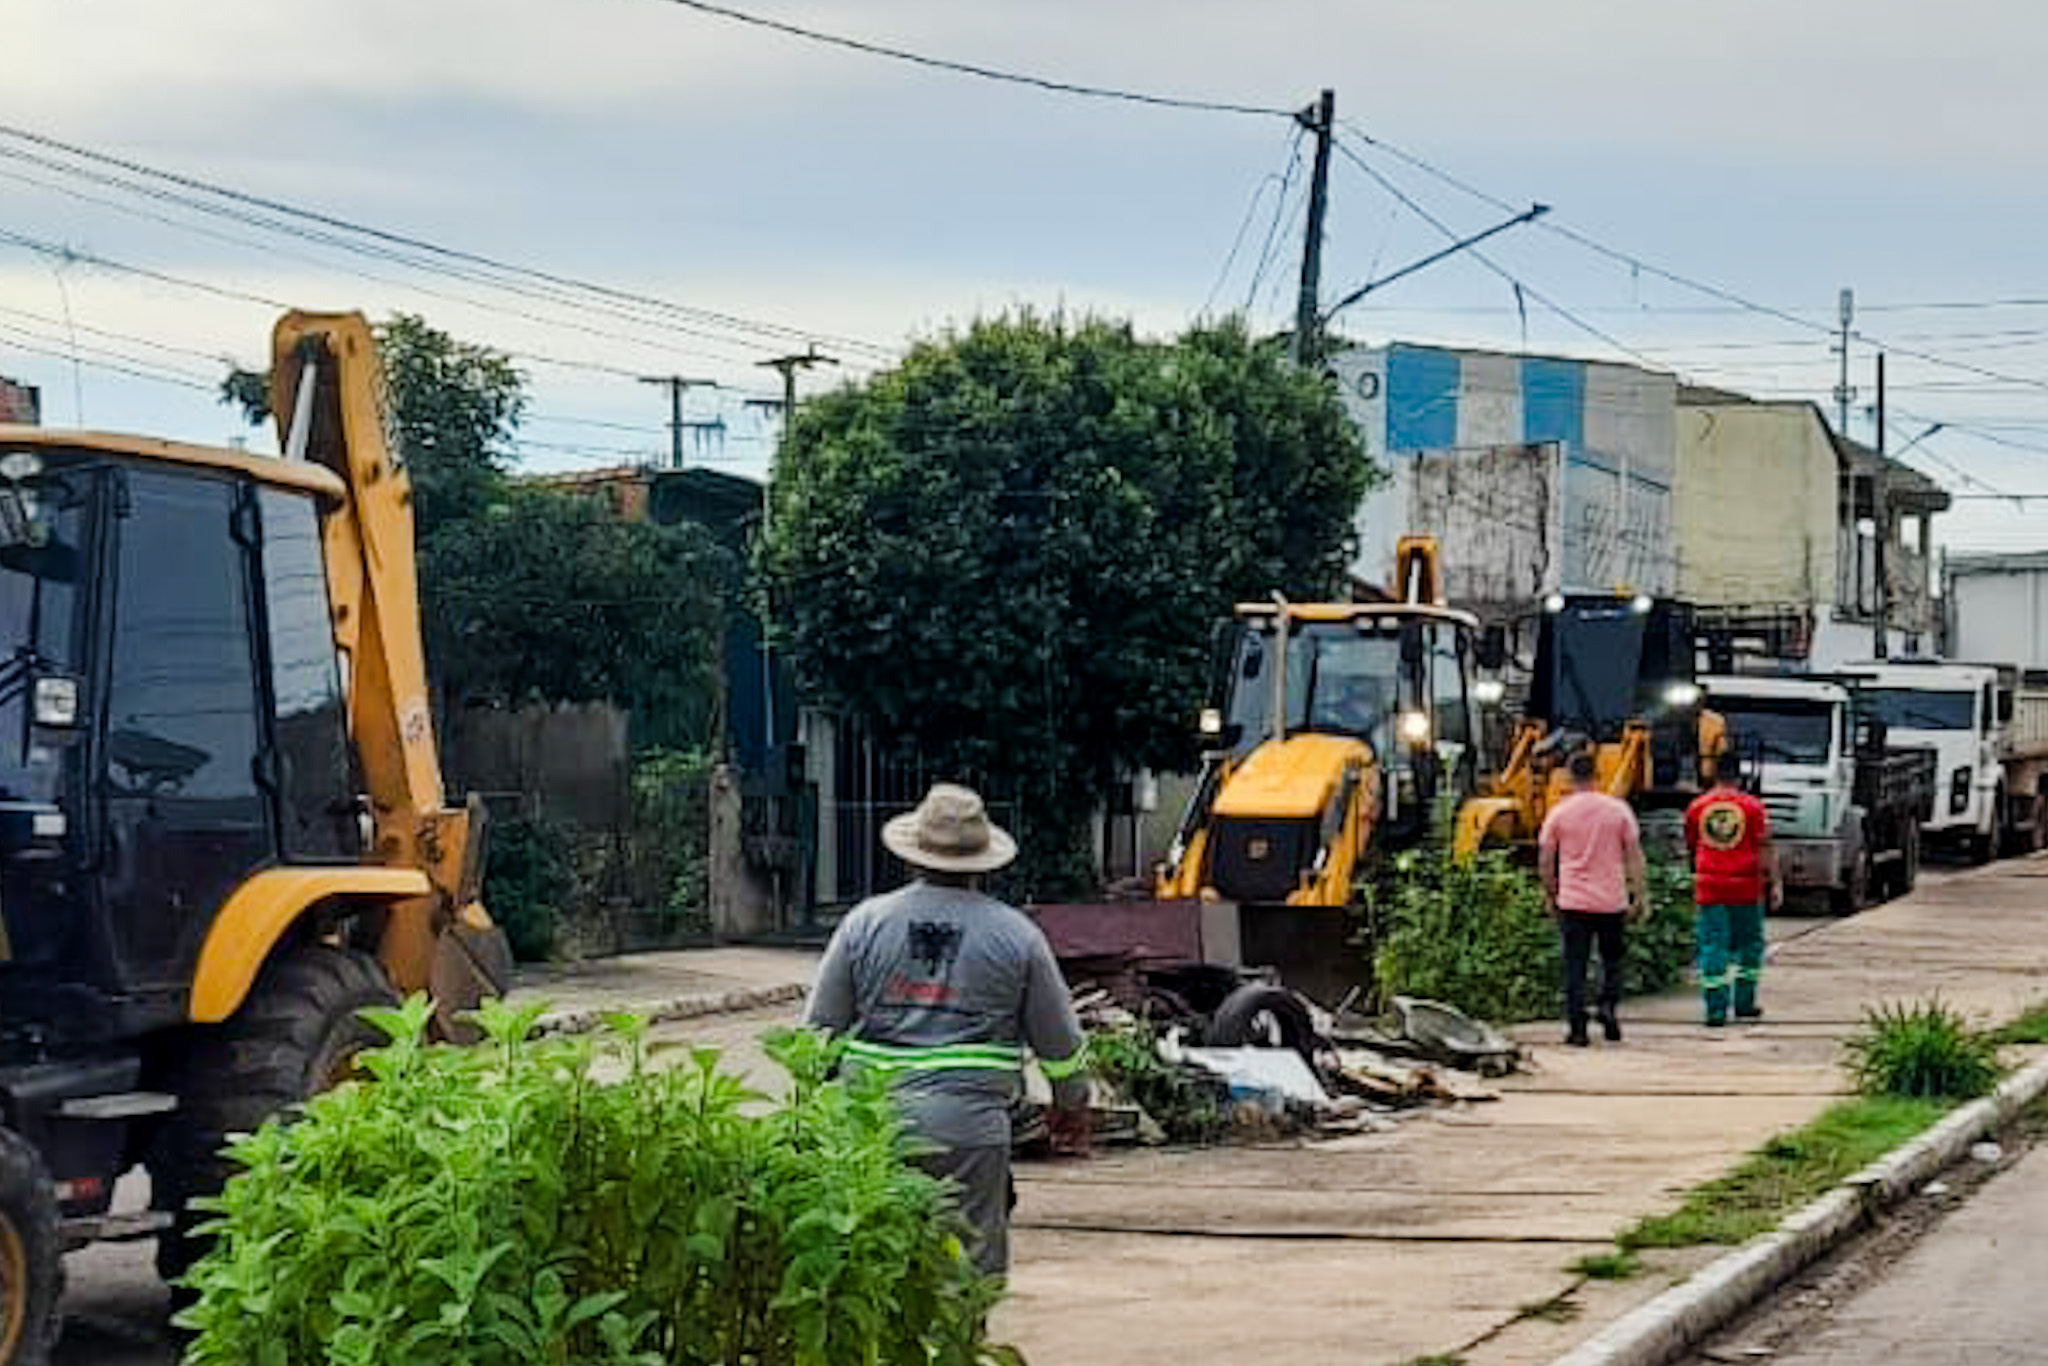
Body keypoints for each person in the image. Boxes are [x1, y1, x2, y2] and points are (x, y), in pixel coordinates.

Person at [804, 782, 1091, 1277]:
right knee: (968, 1273)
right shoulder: (1018, 936)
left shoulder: (863, 924)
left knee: (876, 1270)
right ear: (984, 862)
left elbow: (815, 1039)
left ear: (912, 856)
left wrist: (817, 1115)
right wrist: (1071, 1107)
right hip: (971, 1132)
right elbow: (1060, 1047)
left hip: (874, 1129)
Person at [1538, 748, 1646, 1046]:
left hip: (1573, 901)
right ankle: (1608, 1006)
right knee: (1612, 960)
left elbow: (1546, 859)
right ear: (1597, 776)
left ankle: (1578, 1029)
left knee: (1575, 964)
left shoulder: (1559, 812)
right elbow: (1634, 856)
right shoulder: (1618, 810)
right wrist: (1639, 894)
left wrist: (1551, 893)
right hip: (1611, 900)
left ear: (1570, 777)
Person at [1683, 745, 1781, 1027]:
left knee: (1713, 946)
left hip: (1710, 886)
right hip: (1746, 888)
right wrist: (1774, 882)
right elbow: (1765, 846)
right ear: (1739, 776)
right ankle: (1744, 1004)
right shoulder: (1753, 807)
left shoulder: (1698, 807)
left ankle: (1715, 1010)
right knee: (1750, 946)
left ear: (1714, 774)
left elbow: (1691, 844)